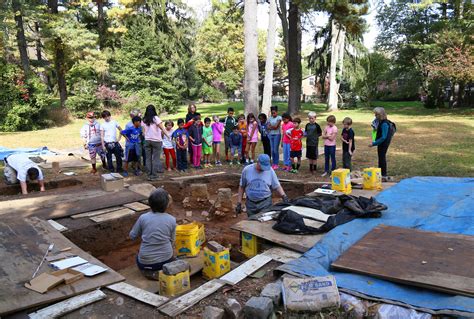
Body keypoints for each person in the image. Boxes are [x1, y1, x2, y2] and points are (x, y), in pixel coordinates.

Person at [129, 188, 176, 280]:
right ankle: (166, 269)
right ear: (166, 205)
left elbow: (132, 236)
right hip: (167, 260)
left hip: (145, 263)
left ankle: (149, 272)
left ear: (149, 203)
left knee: (138, 256)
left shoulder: (143, 218)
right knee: (172, 254)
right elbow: (172, 240)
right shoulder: (172, 220)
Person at [142, 105, 169, 181]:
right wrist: (168, 136)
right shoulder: (156, 118)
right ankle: (154, 175)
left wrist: (147, 136)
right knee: (156, 159)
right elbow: (162, 128)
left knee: (148, 158)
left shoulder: (144, 119)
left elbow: (143, 132)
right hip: (156, 141)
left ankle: (148, 175)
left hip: (147, 140)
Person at [369, 107, 394, 180]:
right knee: (380, 157)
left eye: (376, 114)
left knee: (382, 157)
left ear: (380, 115)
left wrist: (374, 143)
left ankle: (383, 174)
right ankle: (380, 173)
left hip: (384, 143)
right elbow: (375, 129)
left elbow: (383, 137)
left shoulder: (384, 124)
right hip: (381, 142)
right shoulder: (380, 121)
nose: (375, 116)